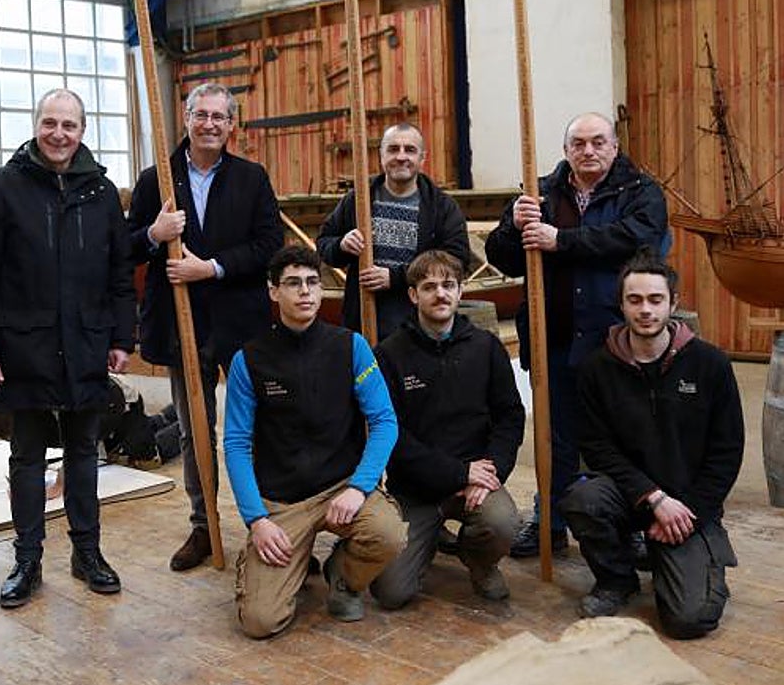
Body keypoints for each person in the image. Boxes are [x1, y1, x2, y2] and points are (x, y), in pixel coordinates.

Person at [0, 89, 135, 609]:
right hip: (24, 348)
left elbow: (120, 274)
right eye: (50, 123)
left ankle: (87, 552)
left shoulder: (101, 193)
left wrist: (122, 337)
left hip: (84, 345)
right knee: (27, 456)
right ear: (35, 125)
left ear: (83, 131)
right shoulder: (1, 189)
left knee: (84, 454)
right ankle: (27, 559)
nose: (59, 134)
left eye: (70, 125)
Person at [484, 112, 668, 558]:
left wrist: (561, 240)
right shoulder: (541, 191)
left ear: (615, 146)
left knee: (627, 433)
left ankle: (637, 521)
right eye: (579, 143)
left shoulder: (639, 192)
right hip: (555, 338)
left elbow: (636, 241)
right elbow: (501, 256)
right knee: (555, 434)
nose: (589, 151)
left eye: (598, 142)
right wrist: (513, 222)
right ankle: (551, 519)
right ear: (566, 150)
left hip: (617, 342)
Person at [128, 82, 282, 572]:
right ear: (187, 119)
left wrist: (211, 267)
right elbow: (128, 246)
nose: (210, 124)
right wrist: (155, 234)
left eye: (220, 117)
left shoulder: (252, 179)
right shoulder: (158, 179)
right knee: (196, 430)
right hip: (182, 324)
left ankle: (272, 522)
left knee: (256, 425)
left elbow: (268, 245)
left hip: (241, 323)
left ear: (231, 125)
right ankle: (203, 525)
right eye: (202, 115)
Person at [224, 245, 405, 638]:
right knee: (260, 622)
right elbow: (236, 444)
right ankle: (276, 559)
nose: (305, 292)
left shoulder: (351, 347)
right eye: (292, 284)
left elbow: (385, 421)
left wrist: (360, 487)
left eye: (312, 283)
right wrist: (257, 519)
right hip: (283, 499)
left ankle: (341, 572)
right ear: (273, 292)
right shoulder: (249, 361)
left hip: (341, 487)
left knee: (388, 534)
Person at [561, 252, 743, 637]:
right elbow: (597, 448)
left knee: (690, 621)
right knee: (582, 500)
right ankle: (616, 579)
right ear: (622, 304)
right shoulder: (597, 369)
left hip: (688, 505)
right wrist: (653, 498)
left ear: (673, 303)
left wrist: (689, 510)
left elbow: (726, 453)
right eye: (635, 300)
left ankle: (669, 554)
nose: (646, 310)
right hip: (633, 496)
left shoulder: (710, 365)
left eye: (655, 300)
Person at [371, 250, 526, 606]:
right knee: (391, 593)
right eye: (429, 287)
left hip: (476, 482)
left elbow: (509, 416)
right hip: (417, 489)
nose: (440, 294)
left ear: (460, 291)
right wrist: (460, 473)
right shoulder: (389, 355)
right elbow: (393, 436)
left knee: (502, 523)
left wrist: (491, 471)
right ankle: (426, 541)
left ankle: (479, 562)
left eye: (448, 285)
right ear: (413, 295)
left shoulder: (486, 348)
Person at [316, 122, 469, 339]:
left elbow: (457, 259)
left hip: (420, 326)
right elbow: (323, 243)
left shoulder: (441, 207)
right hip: (364, 320)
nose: (401, 156)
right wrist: (341, 245)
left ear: (422, 158)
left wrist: (396, 278)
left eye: (410, 150)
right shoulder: (359, 199)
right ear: (381, 156)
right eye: (393, 149)